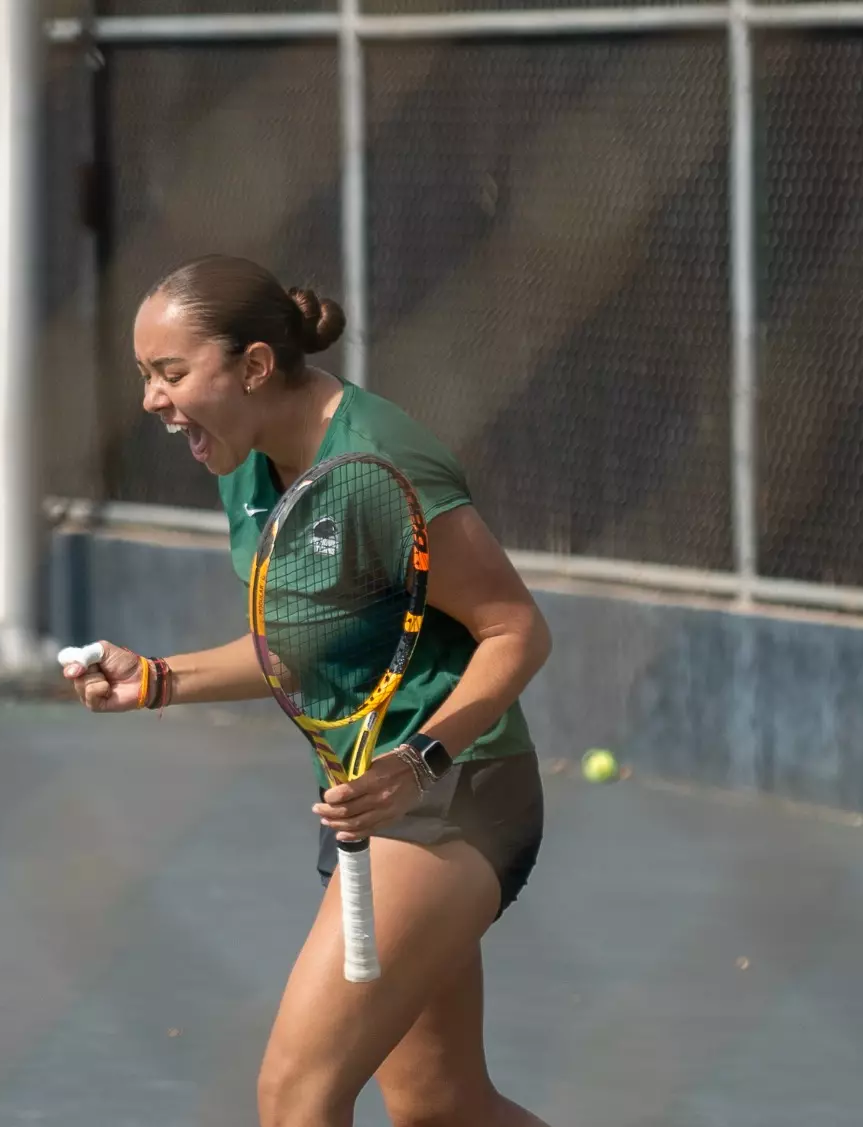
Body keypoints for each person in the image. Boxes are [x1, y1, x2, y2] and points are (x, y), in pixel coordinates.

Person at [62, 254, 556, 1127]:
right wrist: (160, 680)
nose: (152, 400)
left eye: (172, 373)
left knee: (297, 1096)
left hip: (456, 791)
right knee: (442, 1105)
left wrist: (416, 761)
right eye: (145, 376)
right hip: (370, 798)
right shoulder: (240, 459)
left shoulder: (378, 460)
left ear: (253, 366)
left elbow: (515, 629)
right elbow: (299, 648)